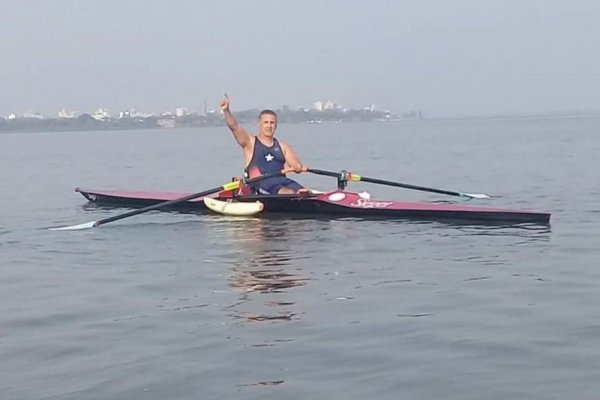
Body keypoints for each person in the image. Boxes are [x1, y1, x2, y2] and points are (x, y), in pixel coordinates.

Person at [220, 94, 307, 195]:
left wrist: (297, 166)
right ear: (259, 124)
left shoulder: (283, 146)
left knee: (304, 192)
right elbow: (234, 127)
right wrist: (226, 110)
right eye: (266, 122)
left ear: (276, 125)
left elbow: (295, 163)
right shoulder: (250, 142)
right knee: (289, 193)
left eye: (272, 123)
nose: (269, 126)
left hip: (282, 181)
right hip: (260, 183)